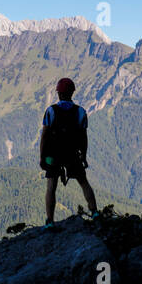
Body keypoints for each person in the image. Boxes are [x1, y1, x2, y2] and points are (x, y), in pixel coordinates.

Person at [39, 77, 98, 226]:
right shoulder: (80, 112)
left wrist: (42, 157)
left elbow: (44, 136)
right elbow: (83, 138)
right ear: (72, 93)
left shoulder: (51, 111)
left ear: (58, 93)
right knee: (83, 182)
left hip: (53, 155)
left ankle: (50, 221)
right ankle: (95, 212)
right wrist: (83, 156)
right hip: (73, 154)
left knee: (51, 186)